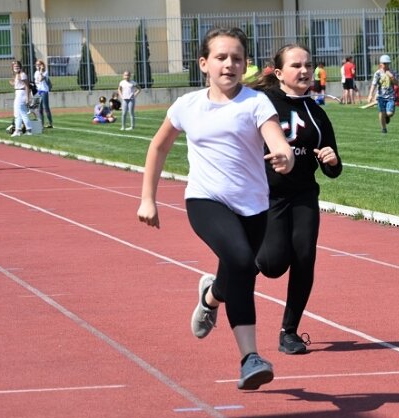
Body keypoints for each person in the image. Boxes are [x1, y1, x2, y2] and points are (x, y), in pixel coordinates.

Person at [136, 27, 294, 391]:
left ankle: (211, 295)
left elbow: (276, 140)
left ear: (246, 65)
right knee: (241, 261)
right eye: (221, 57)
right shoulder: (187, 106)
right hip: (205, 200)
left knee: (240, 269)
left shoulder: (256, 103)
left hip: (253, 206)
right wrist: (148, 198)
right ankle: (250, 358)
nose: (229, 64)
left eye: (237, 58)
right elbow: (158, 147)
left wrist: (283, 156)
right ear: (204, 63)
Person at [250, 44, 342, 355]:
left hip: (304, 194)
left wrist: (332, 160)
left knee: (304, 257)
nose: (304, 71)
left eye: (308, 65)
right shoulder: (262, 104)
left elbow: (333, 168)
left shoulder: (317, 113)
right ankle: (248, 261)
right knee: (274, 265)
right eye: (296, 65)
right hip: (269, 195)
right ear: (278, 73)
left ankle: (289, 331)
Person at [367, 54, 397, 134]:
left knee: (389, 113)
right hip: (381, 96)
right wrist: (370, 95)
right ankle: (384, 129)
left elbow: (396, 83)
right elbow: (374, 84)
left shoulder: (392, 72)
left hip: (390, 96)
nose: (385, 65)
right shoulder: (377, 73)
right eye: (384, 63)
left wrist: (391, 77)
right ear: (381, 64)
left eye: (387, 63)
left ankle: (387, 116)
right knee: (381, 112)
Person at [9, 60, 32, 137]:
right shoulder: (17, 75)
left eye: (17, 66)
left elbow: (26, 86)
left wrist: (27, 98)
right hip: (18, 93)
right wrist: (13, 84)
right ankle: (18, 130)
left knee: (23, 113)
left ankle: (29, 130)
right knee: (17, 114)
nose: (16, 67)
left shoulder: (22, 74)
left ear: (20, 67)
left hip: (21, 94)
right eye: (14, 66)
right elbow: (18, 85)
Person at [34, 59, 53, 128]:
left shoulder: (45, 72)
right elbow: (38, 80)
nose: (37, 66)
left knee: (46, 107)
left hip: (44, 90)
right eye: (36, 65)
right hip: (39, 90)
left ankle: (50, 123)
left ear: (42, 65)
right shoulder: (36, 73)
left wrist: (41, 71)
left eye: (39, 64)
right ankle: (41, 124)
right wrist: (39, 72)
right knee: (40, 108)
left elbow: (41, 79)